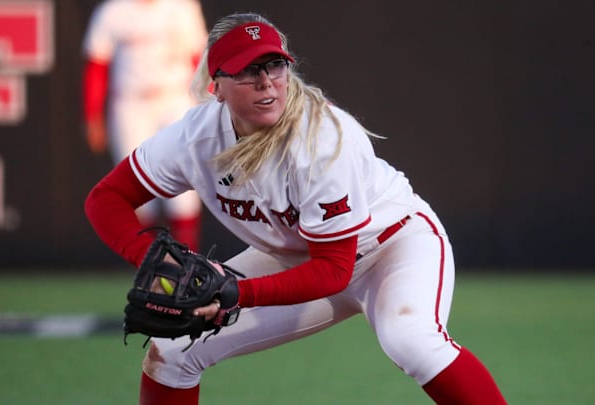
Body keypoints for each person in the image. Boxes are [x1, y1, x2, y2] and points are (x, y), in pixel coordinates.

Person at [85, 12, 507, 405]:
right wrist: (156, 260)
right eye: (250, 70)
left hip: (391, 246)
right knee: (174, 351)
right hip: (297, 255)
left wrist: (237, 294)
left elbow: (334, 270)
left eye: (275, 66)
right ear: (216, 85)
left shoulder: (322, 140)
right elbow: (106, 199)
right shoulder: (194, 139)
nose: (267, 81)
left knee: (412, 340)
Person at [82, 0, 207, 251]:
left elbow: (200, 60)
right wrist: (92, 117)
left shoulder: (181, 7)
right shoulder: (113, 11)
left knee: (184, 192)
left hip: (176, 99)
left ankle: (186, 267)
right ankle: (152, 268)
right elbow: (97, 66)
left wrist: (210, 105)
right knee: (137, 190)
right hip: (131, 104)